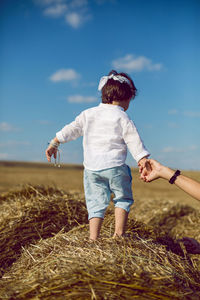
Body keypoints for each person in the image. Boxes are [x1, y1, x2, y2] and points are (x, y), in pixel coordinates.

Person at [46, 70, 150, 240]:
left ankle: (93, 238)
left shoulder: (88, 114)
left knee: (95, 202)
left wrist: (55, 142)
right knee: (122, 199)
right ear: (126, 97)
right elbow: (133, 139)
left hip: (92, 169)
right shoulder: (122, 116)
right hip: (115, 166)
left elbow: (71, 129)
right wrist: (142, 158)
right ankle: (119, 234)